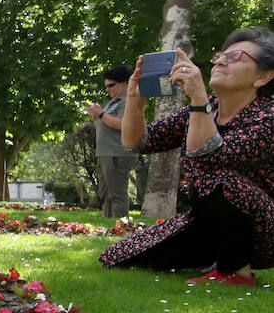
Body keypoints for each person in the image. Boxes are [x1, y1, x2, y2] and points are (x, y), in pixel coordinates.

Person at [100, 29, 274, 285]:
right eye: (220, 55)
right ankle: (214, 259)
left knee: (213, 180)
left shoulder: (267, 116)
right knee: (116, 256)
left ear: (263, 76)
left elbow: (209, 158)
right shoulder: (206, 107)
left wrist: (198, 98)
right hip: (207, 223)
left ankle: (236, 272)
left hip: (263, 229)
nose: (221, 61)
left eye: (235, 57)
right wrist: (136, 99)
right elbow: (137, 142)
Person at [88, 67, 139, 218]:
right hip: (106, 154)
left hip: (117, 154)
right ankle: (108, 224)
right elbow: (104, 124)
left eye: (111, 85)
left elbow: (124, 124)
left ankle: (120, 227)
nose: (108, 89)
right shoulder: (112, 102)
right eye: (106, 86)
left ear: (125, 83)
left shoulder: (128, 101)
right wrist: (97, 115)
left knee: (117, 194)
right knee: (106, 193)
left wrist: (102, 114)